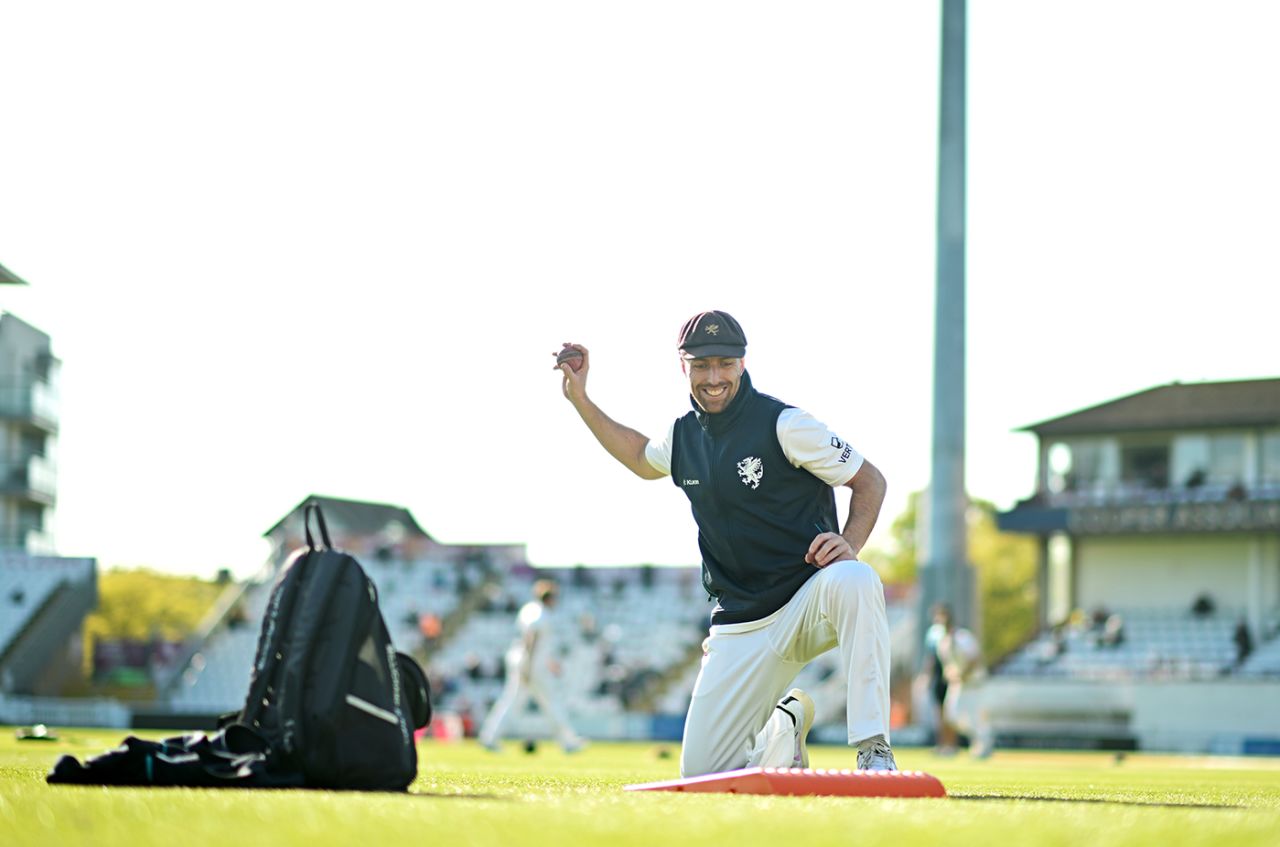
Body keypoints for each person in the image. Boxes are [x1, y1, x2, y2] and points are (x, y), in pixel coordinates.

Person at [554, 310, 896, 777]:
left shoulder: (786, 424)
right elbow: (638, 456)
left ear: (742, 362)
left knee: (856, 578)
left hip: (807, 601)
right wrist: (580, 399)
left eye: (724, 364)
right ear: (683, 367)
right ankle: (785, 728)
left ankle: (873, 750)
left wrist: (850, 542)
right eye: (701, 365)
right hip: (740, 623)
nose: (713, 377)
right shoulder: (681, 436)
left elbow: (870, 481)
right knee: (703, 775)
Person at [477, 579, 585, 753]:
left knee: (512, 701)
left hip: (525, 661)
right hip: (531, 665)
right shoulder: (540, 613)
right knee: (550, 703)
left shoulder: (529, 609)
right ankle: (568, 741)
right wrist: (528, 666)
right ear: (549, 598)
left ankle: (489, 736)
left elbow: (537, 644)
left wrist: (547, 663)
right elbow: (531, 639)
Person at [934, 604, 993, 758]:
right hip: (957, 684)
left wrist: (964, 673)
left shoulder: (962, 636)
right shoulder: (942, 642)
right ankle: (981, 738)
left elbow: (975, 658)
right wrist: (951, 674)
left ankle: (983, 744)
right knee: (952, 715)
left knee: (972, 715)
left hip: (972, 683)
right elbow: (948, 664)